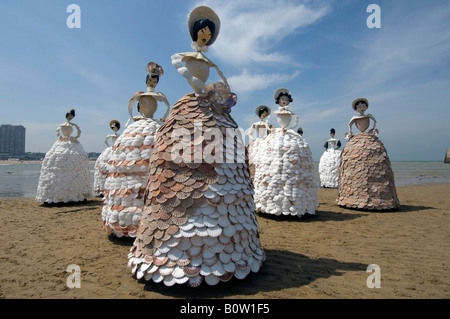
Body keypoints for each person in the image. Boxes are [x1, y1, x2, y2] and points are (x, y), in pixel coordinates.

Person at [128, 6, 265, 287]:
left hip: (215, 112)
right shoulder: (181, 56)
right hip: (191, 107)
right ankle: (173, 246)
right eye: (203, 32)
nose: (205, 37)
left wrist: (219, 93)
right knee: (182, 159)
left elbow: (224, 84)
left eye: (209, 34)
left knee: (223, 156)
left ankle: (222, 245)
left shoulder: (212, 63)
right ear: (195, 32)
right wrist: (200, 87)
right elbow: (186, 74)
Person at [101, 62, 170, 238]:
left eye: (156, 78)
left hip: (152, 127)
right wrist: (133, 116)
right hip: (137, 129)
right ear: (148, 78)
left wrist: (162, 116)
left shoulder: (158, 96)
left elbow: (166, 107)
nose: (154, 81)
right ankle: (127, 222)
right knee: (128, 172)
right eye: (152, 78)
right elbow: (131, 106)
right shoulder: (139, 96)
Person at [252, 88, 319, 218]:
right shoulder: (272, 116)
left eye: (286, 99)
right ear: (278, 101)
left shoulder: (291, 114)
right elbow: (267, 122)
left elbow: (294, 120)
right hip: (274, 136)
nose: (284, 101)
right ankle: (269, 202)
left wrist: (291, 128)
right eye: (282, 99)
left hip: (287, 134)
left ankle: (296, 203)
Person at [336, 98, 400, 210]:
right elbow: (349, 125)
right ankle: (353, 195)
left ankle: (381, 198)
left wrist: (373, 130)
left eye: (363, 106)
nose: (361, 107)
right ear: (356, 108)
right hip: (356, 140)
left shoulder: (368, 115)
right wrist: (350, 133)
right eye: (359, 106)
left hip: (368, 138)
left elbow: (374, 121)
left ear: (365, 107)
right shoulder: (354, 118)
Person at [36, 109, 92, 204]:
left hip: (72, 142)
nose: (70, 118)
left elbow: (79, 132)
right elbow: (57, 131)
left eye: (72, 116)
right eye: (69, 116)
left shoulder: (74, 126)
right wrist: (61, 137)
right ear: (67, 116)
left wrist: (74, 138)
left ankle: (76, 193)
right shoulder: (62, 125)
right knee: (57, 157)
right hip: (63, 142)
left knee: (76, 158)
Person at [93, 120, 121, 197]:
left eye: (115, 127)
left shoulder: (119, 136)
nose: (114, 129)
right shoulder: (110, 135)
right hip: (110, 149)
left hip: (117, 149)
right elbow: (105, 141)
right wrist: (109, 147)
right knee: (103, 167)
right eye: (113, 127)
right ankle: (103, 188)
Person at [247, 105, 271, 180]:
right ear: (260, 113)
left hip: (265, 139)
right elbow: (249, 133)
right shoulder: (255, 124)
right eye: (263, 113)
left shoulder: (266, 124)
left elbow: (270, 131)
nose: (264, 115)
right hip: (258, 140)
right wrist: (253, 139)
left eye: (265, 114)